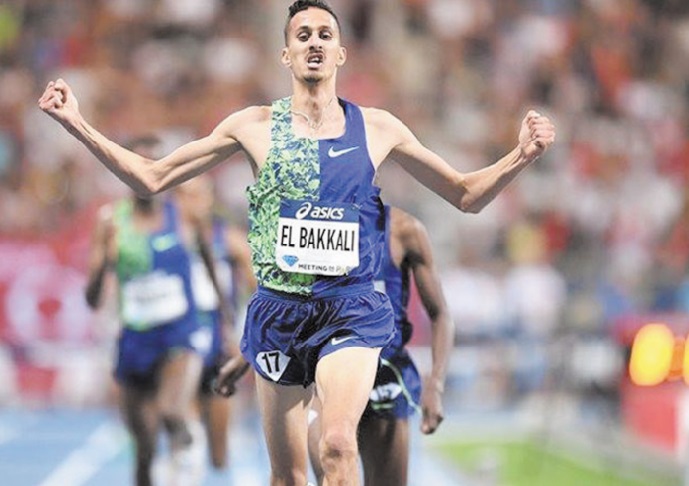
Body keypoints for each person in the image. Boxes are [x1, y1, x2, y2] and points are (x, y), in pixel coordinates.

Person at [39, 1, 556, 484]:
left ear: (340, 52)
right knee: (288, 476)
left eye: (325, 35)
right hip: (279, 313)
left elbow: (466, 194)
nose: (315, 42)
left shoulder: (377, 128)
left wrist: (522, 155)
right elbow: (152, 177)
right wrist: (77, 123)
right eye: (303, 35)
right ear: (286, 53)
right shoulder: (254, 126)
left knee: (336, 445)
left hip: (351, 307)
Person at [83, 136, 214, 486]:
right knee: (143, 446)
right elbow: (92, 299)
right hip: (134, 338)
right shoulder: (111, 221)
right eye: (133, 167)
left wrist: (225, 323)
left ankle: (187, 444)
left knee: (171, 410)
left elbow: (209, 262)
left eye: (150, 165)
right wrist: (103, 266)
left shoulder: (184, 213)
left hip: (178, 332)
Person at [308, 205, 454, 485]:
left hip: (384, 376)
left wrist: (434, 385)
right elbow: (280, 300)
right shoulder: (308, 222)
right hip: (324, 375)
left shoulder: (403, 230)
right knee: (333, 463)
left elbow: (440, 314)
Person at [173, 174, 255, 472]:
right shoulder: (168, 239)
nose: (193, 204)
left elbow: (260, 292)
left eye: (200, 195)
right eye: (186, 196)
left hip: (219, 346)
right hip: (181, 344)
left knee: (219, 457)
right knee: (187, 440)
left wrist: (242, 335)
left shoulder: (228, 240)